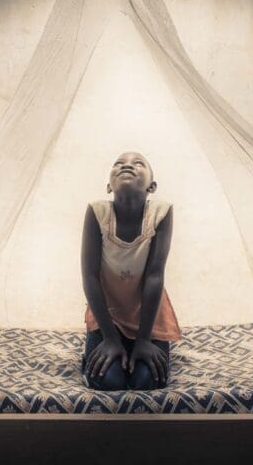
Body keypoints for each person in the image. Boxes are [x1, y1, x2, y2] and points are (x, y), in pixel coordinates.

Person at [81, 151, 182, 391]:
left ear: (152, 186)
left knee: (148, 381)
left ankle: (139, 344)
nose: (127, 166)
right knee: (108, 381)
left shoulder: (161, 213)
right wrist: (109, 338)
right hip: (108, 317)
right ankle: (101, 347)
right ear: (109, 185)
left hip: (148, 316)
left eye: (138, 163)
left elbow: (155, 275)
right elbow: (90, 277)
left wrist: (145, 339)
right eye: (118, 163)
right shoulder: (97, 212)